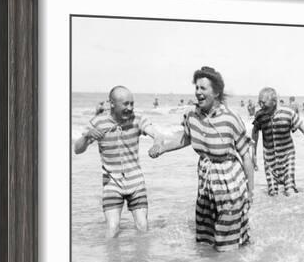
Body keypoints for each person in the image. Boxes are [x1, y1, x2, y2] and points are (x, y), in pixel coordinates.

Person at [148, 66, 254, 252]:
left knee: (225, 242)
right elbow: (185, 138)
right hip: (205, 182)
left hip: (229, 182)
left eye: (203, 88)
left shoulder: (230, 118)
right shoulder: (192, 116)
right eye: (196, 88)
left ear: (216, 92)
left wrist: (250, 191)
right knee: (206, 240)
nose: (198, 92)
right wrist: (162, 148)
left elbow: (246, 155)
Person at [74, 86, 160, 238]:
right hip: (111, 183)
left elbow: (157, 135)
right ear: (112, 103)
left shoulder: (138, 119)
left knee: (143, 226)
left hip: (136, 182)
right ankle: (111, 261)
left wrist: (157, 144)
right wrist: (87, 136)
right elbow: (77, 149)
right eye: (125, 104)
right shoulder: (98, 122)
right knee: (112, 228)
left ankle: (141, 261)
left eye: (132, 103)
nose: (130, 108)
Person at [252, 87, 304, 196]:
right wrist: (254, 154)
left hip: (287, 156)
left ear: (274, 102)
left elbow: (301, 125)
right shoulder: (260, 115)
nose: (261, 105)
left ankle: (297, 209)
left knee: (289, 189)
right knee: (272, 192)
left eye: (263, 102)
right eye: (259, 102)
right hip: (269, 159)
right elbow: (255, 132)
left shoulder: (288, 113)